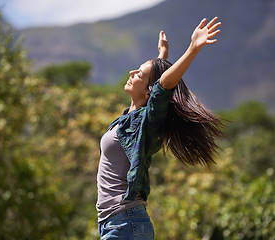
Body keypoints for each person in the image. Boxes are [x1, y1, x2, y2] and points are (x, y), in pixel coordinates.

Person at [96, 17, 224, 239]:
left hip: (124, 223)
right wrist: (161, 56)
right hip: (116, 223)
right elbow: (156, 83)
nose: (131, 73)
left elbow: (162, 86)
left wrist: (193, 48)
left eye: (139, 74)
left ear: (148, 92)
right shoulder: (131, 120)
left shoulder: (147, 121)